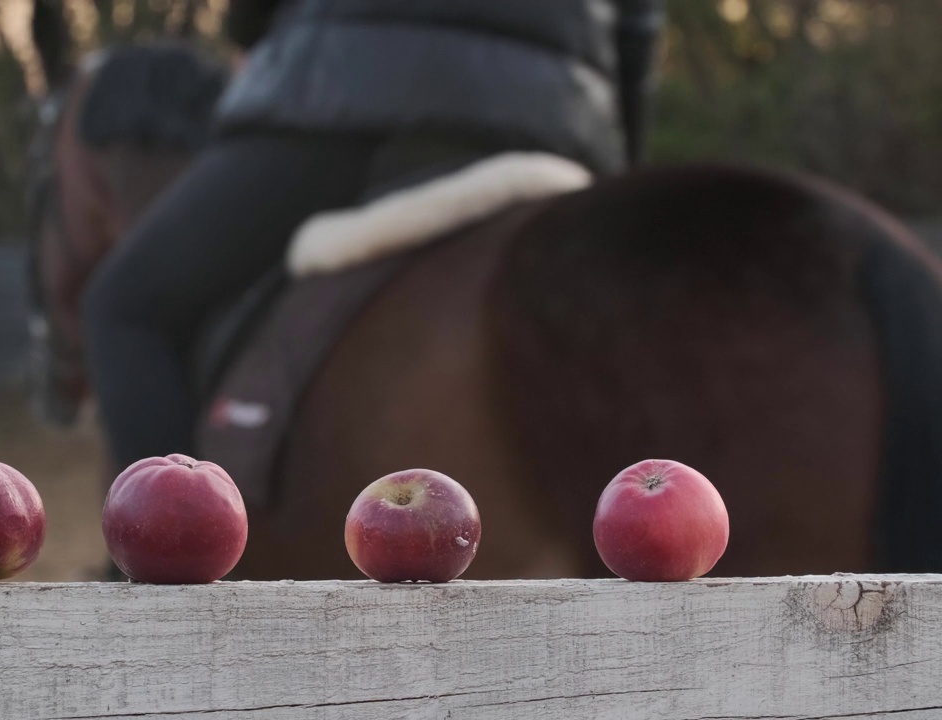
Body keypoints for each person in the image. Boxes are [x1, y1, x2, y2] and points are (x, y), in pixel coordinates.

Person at [86, 0, 665, 468]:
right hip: (556, 119)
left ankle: (170, 554)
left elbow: (250, 18)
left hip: (346, 99)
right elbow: (637, 26)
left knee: (127, 304)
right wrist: (615, 180)